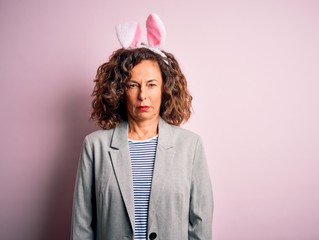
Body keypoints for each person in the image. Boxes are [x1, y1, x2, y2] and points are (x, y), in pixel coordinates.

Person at [71, 14, 213, 240]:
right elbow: (82, 226)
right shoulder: (94, 146)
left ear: (165, 89)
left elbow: (201, 224)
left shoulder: (191, 146)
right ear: (119, 90)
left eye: (151, 84)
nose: (143, 95)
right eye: (133, 85)